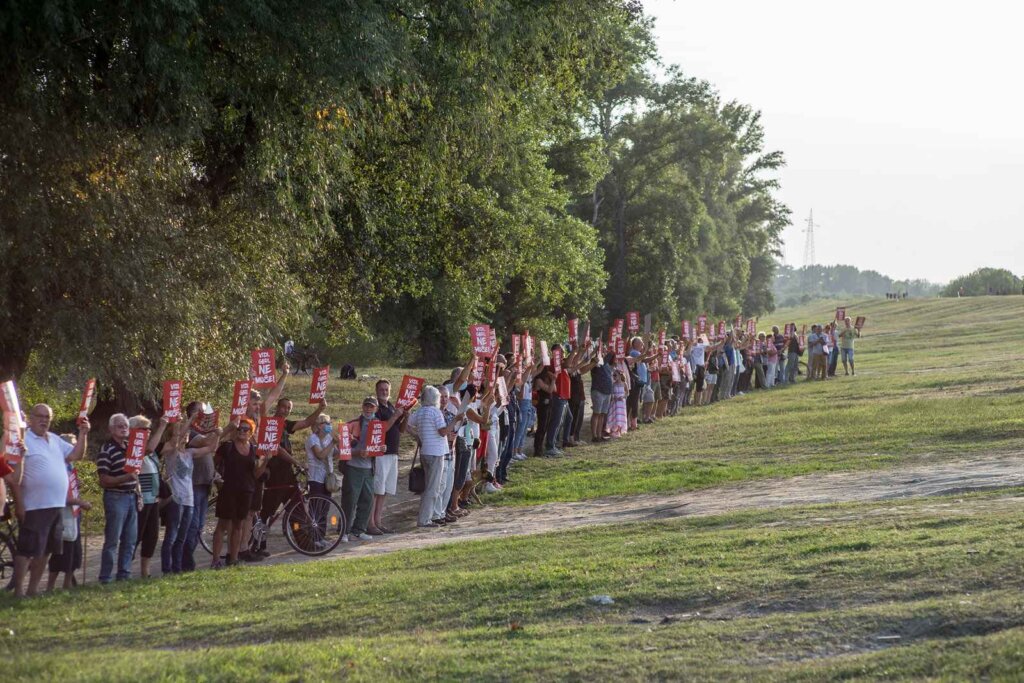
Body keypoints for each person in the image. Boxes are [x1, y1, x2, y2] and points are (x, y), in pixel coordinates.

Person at [8, 404, 90, 597]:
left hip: (56, 504)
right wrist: (19, 503)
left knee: (46, 551)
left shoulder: (54, 439)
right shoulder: (22, 439)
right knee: (27, 550)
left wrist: (83, 434)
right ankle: (18, 590)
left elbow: (76, 455)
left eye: (47, 417)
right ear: (30, 418)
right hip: (35, 505)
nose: (44, 420)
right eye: (40, 416)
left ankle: (33, 589)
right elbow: (13, 476)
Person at [254, 396, 323, 557]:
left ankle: (304, 542)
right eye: (283, 407)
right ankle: (258, 544)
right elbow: (277, 449)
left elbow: (306, 423)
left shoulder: (285, 425)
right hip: (274, 474)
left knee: (297, 509)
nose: (286, 410)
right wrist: (297, 462)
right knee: (267, 513)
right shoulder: (270, 425)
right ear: (277, 407)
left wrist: (320, 409)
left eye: (289, 408)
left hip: (287, 475)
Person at [210, 417, 269, 568]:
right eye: (239, 429)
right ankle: (215, 560)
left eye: (245, 429)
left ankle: (233, 559)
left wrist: (266, 460)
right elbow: (214, 464)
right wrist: (217, 481)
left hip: (246, 491)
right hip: (228, 490)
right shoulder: (227, 447)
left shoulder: (254, 450)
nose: (241, 431)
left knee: (238, 526)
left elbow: (255, 474)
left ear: (251, 432)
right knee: (222, 525)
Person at [162, 419, 217, 575]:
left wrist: (217, 433)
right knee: (171, 536)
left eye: (186, 433)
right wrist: (191, 418)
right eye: (181, 433)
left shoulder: (189, 453)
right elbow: (173, 441)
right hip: (175, 498)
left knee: (182, 537)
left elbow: (211, 447)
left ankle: (177, 568)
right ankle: (167, 569)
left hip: (189, 499)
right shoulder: (170, 451)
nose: (185, 435)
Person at [96, 413, 141, 584]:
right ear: (111, 429)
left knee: (130, 540)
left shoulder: (131, 447)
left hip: (131, 496)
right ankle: (105, 577)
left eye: (126, 426)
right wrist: (125, 478)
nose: (124, 428)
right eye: (119, 426)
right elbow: (103, 480)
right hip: (115, 497)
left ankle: (124, 574)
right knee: (112, 540)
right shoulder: (106, 450)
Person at [406, 387, 461, 527]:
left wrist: (417, 436)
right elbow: (443, 432)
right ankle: (425, 519)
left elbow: (407, 424)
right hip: (436, 452)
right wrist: (455, 421)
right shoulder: (436, 412)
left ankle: (426, 517)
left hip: (425, 452)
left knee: (429, 486)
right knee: (433, 488)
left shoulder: (420, 411)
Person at [46, 435, 92, 591]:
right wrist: (80, 502)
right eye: (71, 446)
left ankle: (67, 584)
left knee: (74, 551)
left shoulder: (71, 466)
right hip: (62, 513)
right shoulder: (57, 467)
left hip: (74, 513)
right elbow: (60, 496)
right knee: (60, 551)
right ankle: (50, 586)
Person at [132, 414, 169, 579]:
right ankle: (124, 568)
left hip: (153, 500)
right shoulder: (134, 449)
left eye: (148, 429)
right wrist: (161, 427)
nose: (147, 432)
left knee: (151, 537)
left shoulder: (152, 452)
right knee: (136, 536)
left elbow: (174, 442)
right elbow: (148, 449)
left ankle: (145, 572)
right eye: (143, 429)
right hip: (139, 500)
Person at [371, 379, 408, 535]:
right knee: (377, 490)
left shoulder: (391, 406)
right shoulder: (376, 408)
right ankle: (370, 522)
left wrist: (406, 416)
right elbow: (382, 428)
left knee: (385, 490)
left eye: (386, 389)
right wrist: (395, 416)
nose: (384, 392)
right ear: (376, 390)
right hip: (381, 453)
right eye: (381, 389)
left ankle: (378, 521)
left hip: (393, 453)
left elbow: (401, 430)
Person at [589, 347, 615, 442]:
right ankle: (594, 435)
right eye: (603, 349)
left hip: (607, 391)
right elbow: (602, 361)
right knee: (596, 413)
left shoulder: (606, 363)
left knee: (602, 414)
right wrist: (611, 352)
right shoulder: (595, 361)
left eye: (605, 349)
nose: (605, 351)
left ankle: (599, 435)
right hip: (598, 391)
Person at [607, 369, 628, 437]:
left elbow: (627, 393)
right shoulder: (613, 384)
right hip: (615, 403)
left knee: (620, 416)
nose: (614, 377)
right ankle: (613, 430)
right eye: (613, 375)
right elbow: (612, 393)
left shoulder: (624, 384)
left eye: (615, 375)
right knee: (615, 416)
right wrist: (614, 397)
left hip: (621, 403)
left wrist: (623, 397)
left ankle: (619, 430)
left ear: (620, 375)